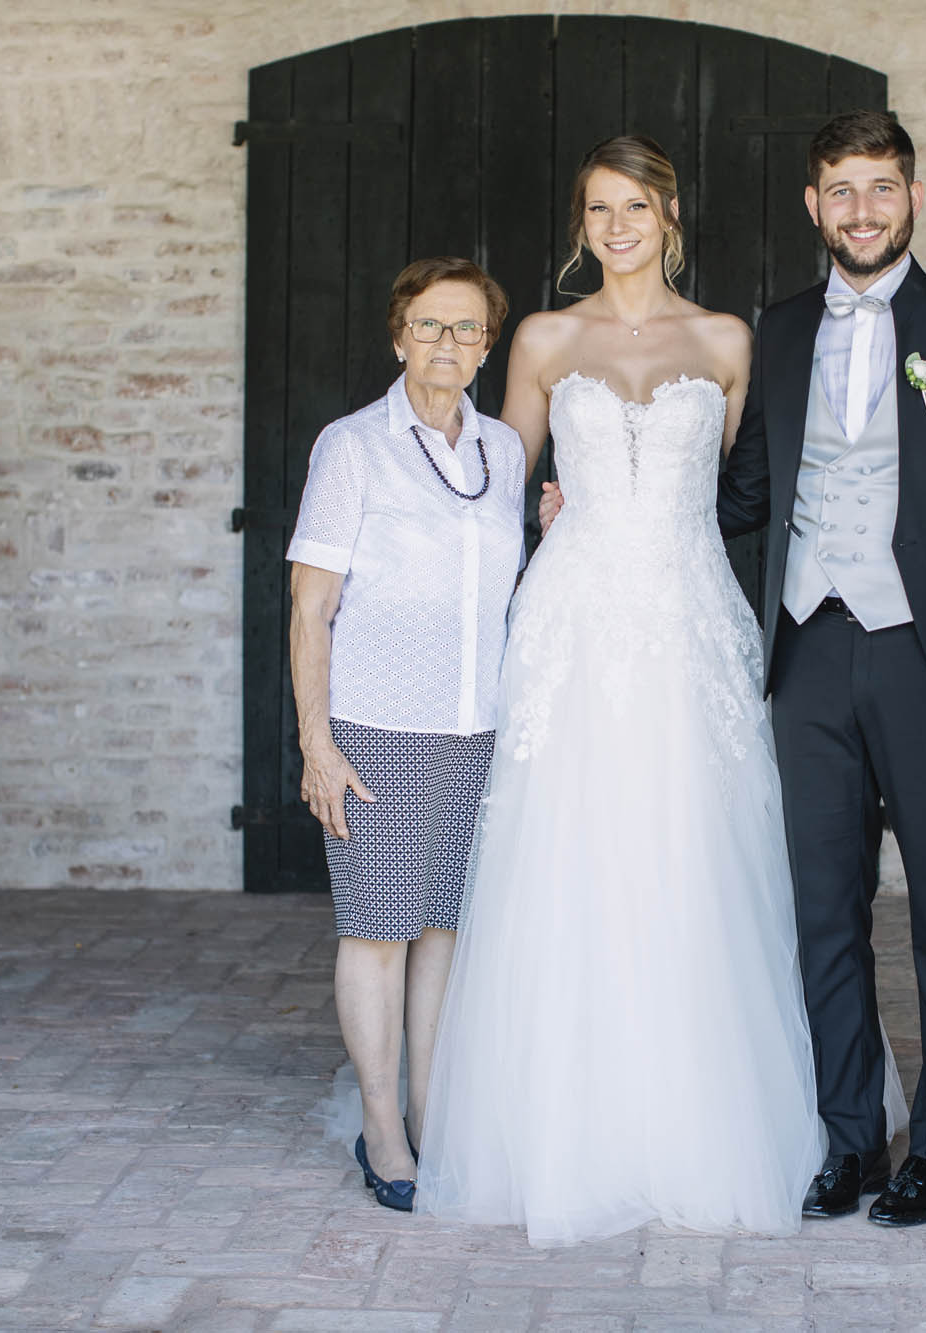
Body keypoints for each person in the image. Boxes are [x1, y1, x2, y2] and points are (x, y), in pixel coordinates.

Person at [415, 136, 824, 1246]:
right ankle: (561, 1123)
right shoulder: (546, 338)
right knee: (572, 851)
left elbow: (740, 489)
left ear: (670, 212)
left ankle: (703, 1116)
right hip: (575, 622)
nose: (616, 225)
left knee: (695, 849)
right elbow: (495, 486)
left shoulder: (726, 339)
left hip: (689, 617)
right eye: (597, 208)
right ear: (579, 224)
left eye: (634, 205)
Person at [712, 110, 926, 1226]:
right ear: (812, 205)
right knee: (822, 907)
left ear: (913, 196)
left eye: (879, 188)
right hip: (807, 650)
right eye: (839, 190)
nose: (859, 210)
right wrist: (603, 506)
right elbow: (743, 493)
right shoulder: (780, 328)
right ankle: (851, 1138)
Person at [286, 258, 525, 1212]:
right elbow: (311, 607)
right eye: (429, 326)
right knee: (377, 930)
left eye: (467, 329)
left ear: (486, 345)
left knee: (442, 933)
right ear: (398, 337)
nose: (448, 344)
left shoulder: (503, 450)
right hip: (376, 726)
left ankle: (432, 1111)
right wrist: (317, 742)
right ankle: (381, 1126)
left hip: (478, 726)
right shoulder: (352, 447)